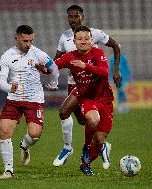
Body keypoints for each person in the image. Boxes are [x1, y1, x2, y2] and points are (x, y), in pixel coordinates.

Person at [52, 4, 121, 167]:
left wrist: (116, 70)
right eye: (70, 16)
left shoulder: (94, 34)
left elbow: (116, 46)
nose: (73, 19)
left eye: (76, 16)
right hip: (73, 82)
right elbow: (55, 61)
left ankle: (69, 148)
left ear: (82, 16)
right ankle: (100, 144)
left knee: (66, 112)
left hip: (90, 85)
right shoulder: (64, 37)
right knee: (83, 120)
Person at [0, 25, 59, 179]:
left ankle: (24, 146)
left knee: (34, 133)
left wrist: (54, 82)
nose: (29, 44)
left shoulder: (38, 54)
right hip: (14, 100)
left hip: (34, 100)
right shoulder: (6, 56)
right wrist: (9, 88)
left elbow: (54, 68)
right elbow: (1, 82)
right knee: (4, 131)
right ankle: (8, 170)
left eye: (31, 40)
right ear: (16, 38)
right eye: (25, 41)